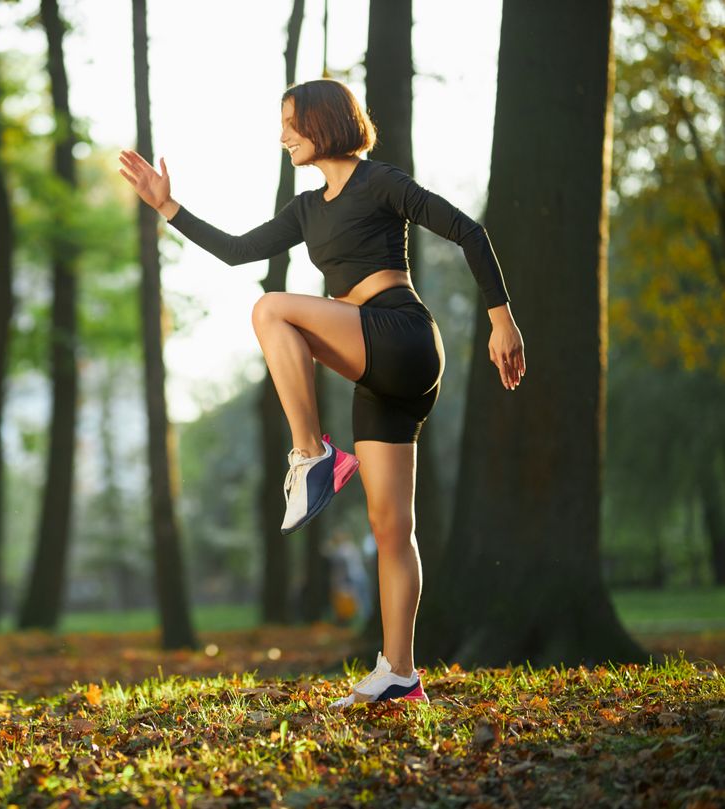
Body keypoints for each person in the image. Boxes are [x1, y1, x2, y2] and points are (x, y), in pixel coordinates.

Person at [118, 78, 526, 709]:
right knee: (391, 528)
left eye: (291, 124)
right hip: (377, 373)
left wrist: (501, 317)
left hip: (401, 335)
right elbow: (236, 252)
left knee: (271, 310)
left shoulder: (380, 182)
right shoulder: (307, 209)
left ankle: (312, 454)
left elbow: (469, 230)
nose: (283, 137)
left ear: (324, 123)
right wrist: (168, 208)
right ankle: (400, 671)